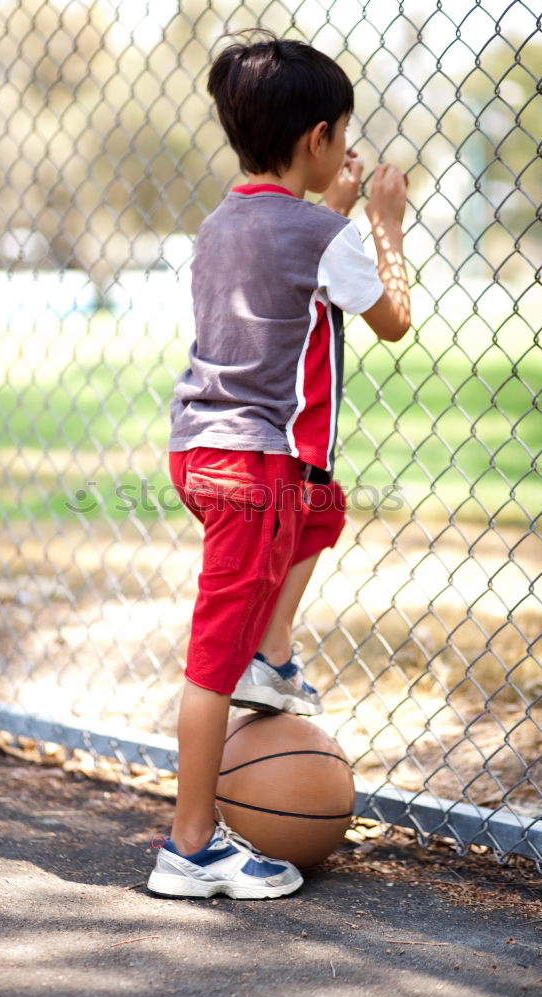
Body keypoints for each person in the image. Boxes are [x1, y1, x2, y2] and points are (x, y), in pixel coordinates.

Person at [147, 31, 411, 900]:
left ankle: (273, 648)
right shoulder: (328, 237)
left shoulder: (221, 221)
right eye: (344, 135)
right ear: (321, 139)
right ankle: (189, 848)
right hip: (256, 468)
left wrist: (328, 215)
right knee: (208, 667)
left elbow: (286, 254)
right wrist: (383, 225)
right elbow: (392, 319)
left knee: (324, 511)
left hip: (204, 454)